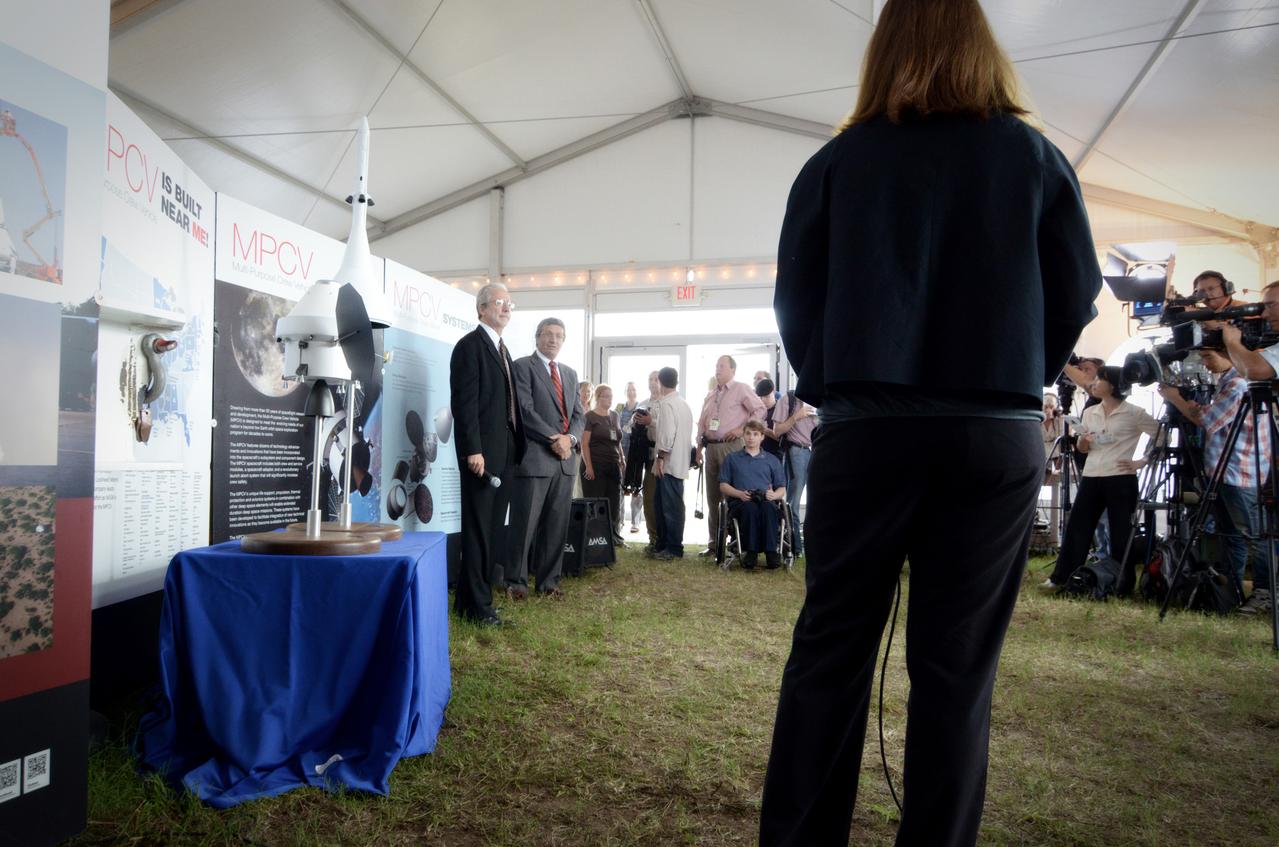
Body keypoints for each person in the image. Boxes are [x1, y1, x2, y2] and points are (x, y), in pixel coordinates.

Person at [760, 1, 1101, 844]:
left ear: (882, 51)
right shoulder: (1033, 159)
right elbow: (1075, 292)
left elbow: (796, 299)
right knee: (955, 673)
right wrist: (1017, 376)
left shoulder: (838, 162)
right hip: (993, 433)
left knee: (829, 655)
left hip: (868, 426)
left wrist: (834, 382)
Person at [1159, 347, 1272, 609]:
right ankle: (1230, 591)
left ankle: (1264, 593)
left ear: (1229, 354)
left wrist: (1176, 399)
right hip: (1224, 472)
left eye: (1209, 356)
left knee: (1254, 535)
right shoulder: (1226, 382)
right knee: (1230, 536)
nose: (1204, 362)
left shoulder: (1237, 384)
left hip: (1240, 473)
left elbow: (1209, 421)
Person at [449, 282, 527, 627]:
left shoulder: (502, 348)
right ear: (482, 309)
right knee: (479, 532)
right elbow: (464, 405)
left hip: (506, 451)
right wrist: (473, 450)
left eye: (510, 303)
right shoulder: (469, 347)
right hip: (482, 456)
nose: (507, 307)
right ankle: (480, 609)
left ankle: (469, 602)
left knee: (493, 531)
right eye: (500, 302)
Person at [1044, 367, 1160, 591]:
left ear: (1114, 385)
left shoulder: (1134, 413)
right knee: (1078, 527)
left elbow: (1162, 436)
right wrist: (1084, 441)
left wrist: (1141, 461)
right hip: (1092, 474)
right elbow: (1082, 447)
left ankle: (1121, 582)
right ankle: (1062, 576)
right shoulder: (1090, 412)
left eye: (1100, 379)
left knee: (1120, 533)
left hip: (1121, 478)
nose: (1094, 383)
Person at [507, 317, 585, 600]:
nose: (553, 340)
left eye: (559, 336)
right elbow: (524, 411)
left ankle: (549, 583)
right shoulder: (522, 367)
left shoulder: (570, 373)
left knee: (555, 526)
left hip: (565, 463)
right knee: (524, 524)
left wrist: (571, 440)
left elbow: (579, 415)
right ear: (537, 337)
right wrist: (556, 439)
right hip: (535, 459)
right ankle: (516, 583)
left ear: (563, 341)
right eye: (548, 334)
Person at [696, 355, 764, 556]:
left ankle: (736, 542)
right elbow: (702, 422)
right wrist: (699, 447)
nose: (717, 370)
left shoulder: (740, 388)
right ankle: (715, 544)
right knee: (713, 496)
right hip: (711, 448)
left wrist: (742, 429)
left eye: (722, 366)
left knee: (733, 494)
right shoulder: (710, 394)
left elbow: (759, 409)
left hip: (732, 447)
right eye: (716, 366)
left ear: (733, 370)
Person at [718, 419, 787, 570]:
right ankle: (751, 552)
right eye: (748, 433)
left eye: (755, 434)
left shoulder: (772, 460)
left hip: (766, 499)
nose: (751, 437)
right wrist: (739, 494)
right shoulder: (732, 458)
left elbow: (782, 488)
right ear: (743, 435)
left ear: (762, 437)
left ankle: (771, 553)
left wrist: (774, 496)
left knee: (769, 509)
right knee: (750, 509)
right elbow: (723, 485)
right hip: (741, 500)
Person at [650, 367, 695, 560]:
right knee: (665, 504)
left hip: (668, 463)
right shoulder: (683, 403)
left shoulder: (667, 404)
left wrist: (660, 458)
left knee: (670, 507)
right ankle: (664, 544)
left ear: (659, 381)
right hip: (679, 461)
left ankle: (674, 548)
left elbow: (667, 436)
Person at [771, 390, 817, 557]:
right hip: (796, 451)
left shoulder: (819, 398)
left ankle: (812, 545)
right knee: (794, 501)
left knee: (817, 501)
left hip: (816, 451)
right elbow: (777, 431)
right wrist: (796, 416)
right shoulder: (788, 399)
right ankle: (795, 546)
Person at [581, 384, 626, 546]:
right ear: (598, 397)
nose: (609, 399)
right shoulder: (590, 417)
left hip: (613, 465)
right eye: (606, 396)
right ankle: (595, 537)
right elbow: (584, 443)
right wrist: (589, 466)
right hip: (595, 464)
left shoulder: (615, 415)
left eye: (611, 396)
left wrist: (621, 457)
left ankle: (614, 536)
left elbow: (617, 439)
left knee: (614, 502)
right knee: (596, 501)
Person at [631, 371, 663, 550]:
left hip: (666, 456)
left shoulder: (667, 404)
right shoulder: (643, 404)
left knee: (666, 498)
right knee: (649, 497)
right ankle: (654, 537)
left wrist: (651, 421)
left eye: (656, 379)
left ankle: (668, 537)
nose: (653, 383)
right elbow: (629, 428)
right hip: (647, 456)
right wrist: (636, 422)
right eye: (650, 379)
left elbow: (669, 428)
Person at [617, 382, 644, 534]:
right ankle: (620, 520)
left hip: (636, 452)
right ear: (625, 391)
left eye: (633, 389)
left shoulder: (642, 407)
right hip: (621, 450)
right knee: (620, 485)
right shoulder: (619, 408)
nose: (631, 392)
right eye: (629, 389)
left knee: (636, 486)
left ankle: (635, 522)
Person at [755, 379, 785, 461]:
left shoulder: (781, 409)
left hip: (776, 455)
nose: (763, 400)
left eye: (766, 396)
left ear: (774, 391)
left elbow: (783, 439)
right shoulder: (758, 410)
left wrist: (763, 429)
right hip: (759, 454)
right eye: (760, 397)